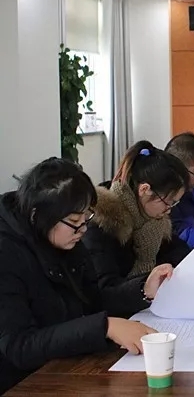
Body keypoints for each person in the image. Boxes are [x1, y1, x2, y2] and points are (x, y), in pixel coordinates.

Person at [0, 158, 172, 393]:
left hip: (67, 367)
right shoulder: (7, 253)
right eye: (74, 221)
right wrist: (104, 327)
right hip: (22, 383)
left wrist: (143, 289)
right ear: (36, 215)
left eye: (86, 218)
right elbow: (19, 346)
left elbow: (92, 299)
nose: (82, 229)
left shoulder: (64, 237)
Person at [82, 141, 192, 289]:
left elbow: (179, 250)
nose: (169, 210)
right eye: (168, 202)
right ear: (145, 190)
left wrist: (167, 268)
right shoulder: (101, 224)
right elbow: (105, 288)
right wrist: (145, 285)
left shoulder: (153, 220)